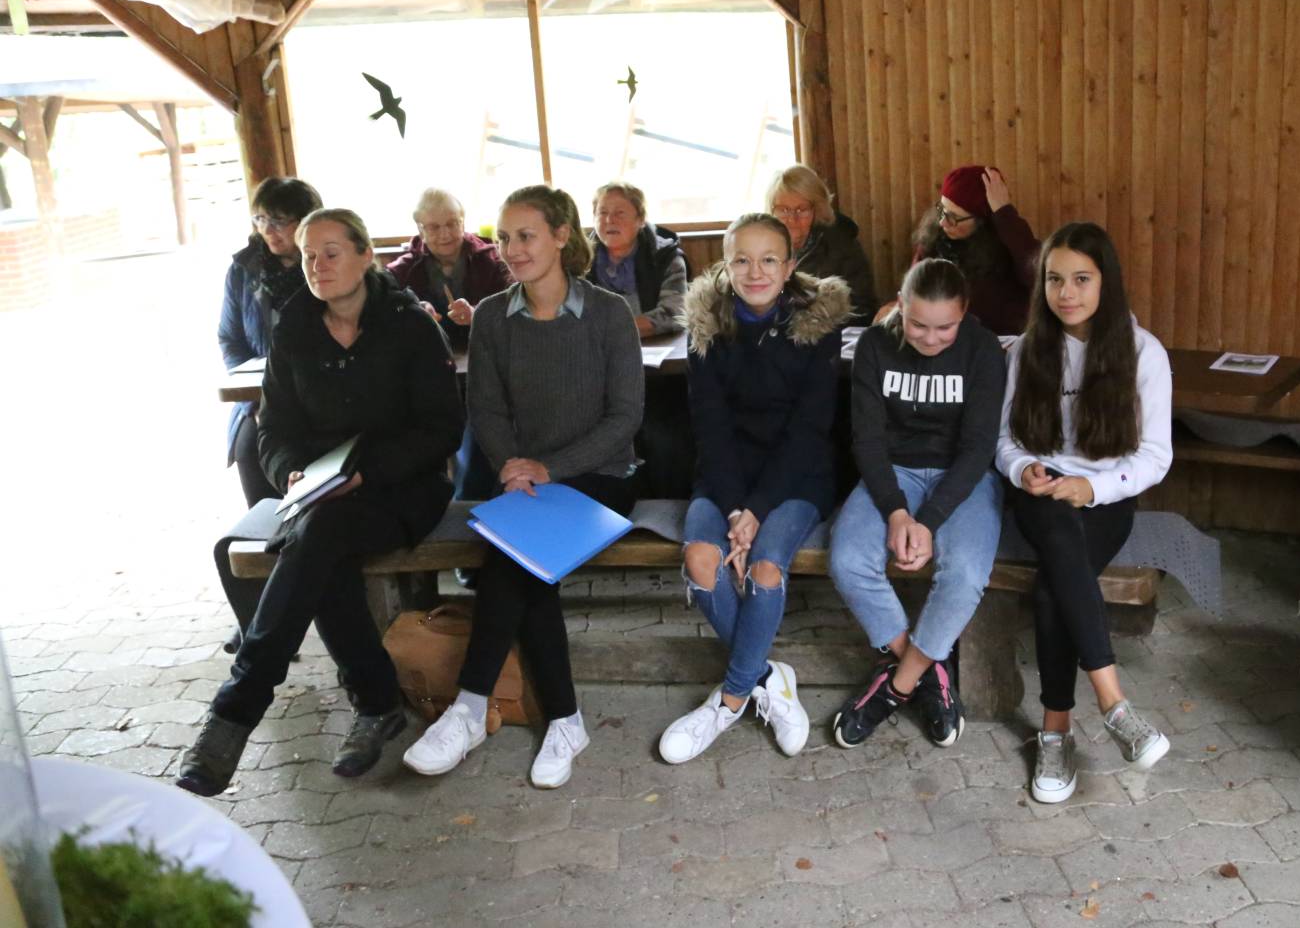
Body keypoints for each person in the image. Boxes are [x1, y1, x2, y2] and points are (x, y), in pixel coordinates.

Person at [178, 209, 463, 797]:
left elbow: (442, 428)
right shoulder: (294, 328)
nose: (318, 264)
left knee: (318, 540)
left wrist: (366, 473)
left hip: (402, 489)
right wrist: (290, 473)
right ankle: (376, 704)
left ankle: (239, 707)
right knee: (322, 546)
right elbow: (271, 428)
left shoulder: (410, 323)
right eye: (310, 254)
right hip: (318, 495)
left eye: (333, 251)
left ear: (366, 256)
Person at [402, 185, 644, 788]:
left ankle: (470, 706)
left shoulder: (609, 313)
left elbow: (625, 419)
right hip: (525, 479)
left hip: (602, 477)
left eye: (526, 235)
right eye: (505, 238)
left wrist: (544, 469)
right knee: (524, 561)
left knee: (517, 555)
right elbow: (485, 410)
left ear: (563, 236)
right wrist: (513, 465)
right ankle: (561, 719)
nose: (511, 249)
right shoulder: (491, 317)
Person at [657, 213, 850, 764]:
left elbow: (809, 431)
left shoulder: (817, 325)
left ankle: (730, 699)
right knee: (700, 560)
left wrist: (757, 513)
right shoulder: (706, 328)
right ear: (726, 263)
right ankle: (770, 676)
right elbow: (711, 429)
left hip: (798, 474)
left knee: (765, 568)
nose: (756, 270)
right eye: (742, 259)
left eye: (770, 259)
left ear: (790, 267)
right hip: (726, 475)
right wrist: (737, 506)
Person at [997, 221, 1174, 803]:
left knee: (1055, 586)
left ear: (1107, 282)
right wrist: (1025, 470)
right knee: (1057, 539)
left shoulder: (1143, 352)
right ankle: (1114, 705)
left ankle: (1056, 730)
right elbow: (1006, 440)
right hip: (1039, 491)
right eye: (1054, 279)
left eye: (1081, 279)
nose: (1066, 292)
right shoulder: (1026, 349)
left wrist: (1092, 489)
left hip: (1106, 495)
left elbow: (1154, 456)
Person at [827, 258, 1007, 749]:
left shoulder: (983, 348)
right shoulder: (874, 344)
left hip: (961, 479)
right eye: (919, 325)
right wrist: (897, 512)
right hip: (894, 474)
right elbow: (867, 441)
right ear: (901, 307)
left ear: (964, 313)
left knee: (966, 573)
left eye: (944, 327)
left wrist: (927, 521)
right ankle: (930, 669)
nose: (930, 339)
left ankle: (897, 684)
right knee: (846, 560)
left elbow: (977, 449)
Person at [219, 177, 323, 508]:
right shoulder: (243, 269)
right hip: (262, 399)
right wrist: (257, 404)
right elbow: (230, 340)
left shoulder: (327, 265)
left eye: (279, 220)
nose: (269, 230)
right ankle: (268, 545)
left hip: (324, 392)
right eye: (261, 219)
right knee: (250, 448)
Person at [881, 165, 1039, 336]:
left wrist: (1004, 213)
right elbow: (913, 289)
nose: (942, 222)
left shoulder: (1009, 244)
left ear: (982, 221)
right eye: (941, 211)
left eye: (953, 217)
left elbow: (1037, 274)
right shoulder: (934, 238)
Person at [385, 187, 511, 348]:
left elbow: (515, 308)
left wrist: (477, 315)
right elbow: (385, 313)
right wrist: (414, 313)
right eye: (434, 227)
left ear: (463, 223)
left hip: (486, 350)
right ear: (420, 231)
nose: (445, 234)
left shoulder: (493, 260)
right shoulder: (403, 270)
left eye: (452, 224)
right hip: (427, 356)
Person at [768, 164, 877, 326]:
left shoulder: (841, 245)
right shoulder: (761, 245)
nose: (792, 219)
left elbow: (863, 309)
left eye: (802, 209)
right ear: (772, 210)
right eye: (783, 210)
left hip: (823, 335)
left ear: (817, 210)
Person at [585, 179, 689, 338]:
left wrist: (613, 330)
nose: (609, 220)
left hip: (654, 348)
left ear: (640, 219)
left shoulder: (665, 257)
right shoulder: (580, 259)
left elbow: (674, 314)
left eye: (619, 213)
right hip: (594, 348)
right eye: (603, 212)